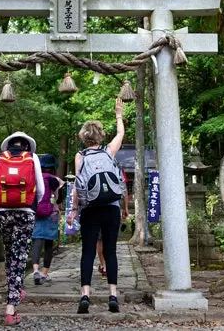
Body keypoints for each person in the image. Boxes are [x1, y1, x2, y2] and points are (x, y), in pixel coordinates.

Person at [67, 98, 126, 314]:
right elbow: (120, 134)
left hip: (90, 209)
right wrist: (118, 114)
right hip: (111, 208)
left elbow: (78, 183)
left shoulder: (80, 156)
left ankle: (85, 296)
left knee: (88, 253)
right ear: (100, 135)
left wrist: (74, 210)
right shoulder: (108, 151)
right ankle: (112, 295)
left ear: (83, 137)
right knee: (110, 252)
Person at [0, 132, 45, 326]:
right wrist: (31, 206)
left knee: (10, 255)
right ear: (27, 146)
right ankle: (11, 309)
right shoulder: (32, 158)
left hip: (4, 212)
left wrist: (1, 205)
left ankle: (16, 288)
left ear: (8, 145)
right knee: (19, 257)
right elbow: (42, 189)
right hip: (25, 211)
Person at [31, 154, 65, 285]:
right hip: (51, 213)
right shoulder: (55, 180)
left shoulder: (34, 178)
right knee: (49, 244)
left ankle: (35, 270)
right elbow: (59, 199)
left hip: (36, 212)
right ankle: (44, 273)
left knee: (37, 241)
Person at [97, 169, 130, 279]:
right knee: (110, 241)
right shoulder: (117, 170)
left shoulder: (93, 166)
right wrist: (125, 208)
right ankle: (107, 267)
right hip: (113, 209)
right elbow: (124, 190)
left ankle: (103, 266)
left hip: (96, 209)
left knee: (100, 241)